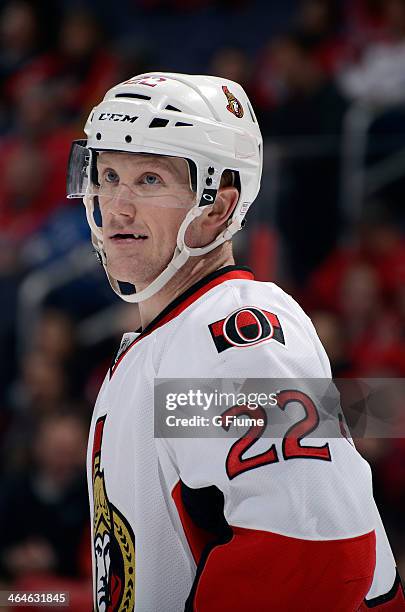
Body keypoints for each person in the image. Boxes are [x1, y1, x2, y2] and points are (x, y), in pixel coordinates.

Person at [67, 72, 404, 611]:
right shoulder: (170, 340)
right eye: (107, 175)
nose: (116, 206)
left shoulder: (237, 332)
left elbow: (317, 555)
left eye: (149, 180)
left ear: (220, 206)